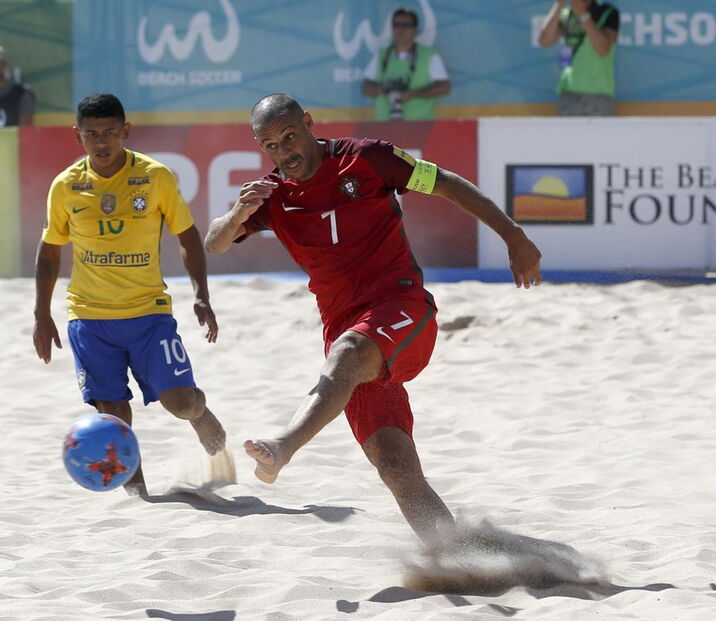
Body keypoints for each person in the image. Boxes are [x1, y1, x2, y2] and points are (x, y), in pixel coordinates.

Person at [204, 93, 542, 546]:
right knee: (396, 467)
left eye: (289, 136)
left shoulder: (369, 158)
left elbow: (448, 183)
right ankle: (459, 556)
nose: (285, 152)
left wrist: (513, 234)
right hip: (346, 343)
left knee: (346, 353)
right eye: (271, 145)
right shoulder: (271, 195)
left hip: (402, 310)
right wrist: (238, 213)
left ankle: (284, 445)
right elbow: (214, 242)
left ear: (308, 122)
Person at [33, 93, 226, 496]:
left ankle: (199, 412)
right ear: (77, 136)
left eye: (109, 133)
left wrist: (200, 294)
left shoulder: (155, 177)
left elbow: (187, 235)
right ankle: (139, 496)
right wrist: (42, 314)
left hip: (148, 314)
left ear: (126, 131)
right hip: (89, 316)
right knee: (113, 416)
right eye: (91, 135)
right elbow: (50, 248)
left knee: (180, 402)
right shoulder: (66, 186)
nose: (101, 143)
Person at [360, 7, 450, 121]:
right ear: (392, 29)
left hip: (419, 126)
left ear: (415, 30)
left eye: (406, 25)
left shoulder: (429, 56)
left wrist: (413, 94)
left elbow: (444, 88)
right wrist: (384, 91)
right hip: (384, 126)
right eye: (397, 25)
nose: (401, 29)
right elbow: (365, 87)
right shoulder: (381, 55)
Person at [538, 0, 620, 116]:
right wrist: (558, 5)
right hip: (568, 95)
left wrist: (583, 15)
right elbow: (544, 41)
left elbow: (602, 49)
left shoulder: (607, 12)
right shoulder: (566, 15)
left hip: (598, 96)